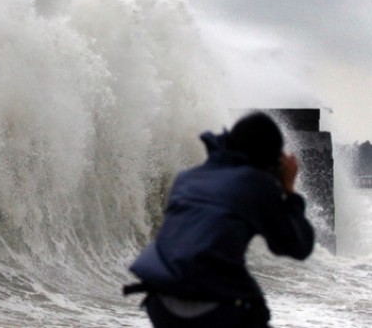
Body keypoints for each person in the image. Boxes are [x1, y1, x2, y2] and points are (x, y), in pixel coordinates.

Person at [124, 112, 315, 328]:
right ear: (268, 157)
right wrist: (289, 190)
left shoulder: (188, 178)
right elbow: (298, 246)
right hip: (216, 310)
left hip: (160, 303)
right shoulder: (256, 183)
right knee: (256, 309)